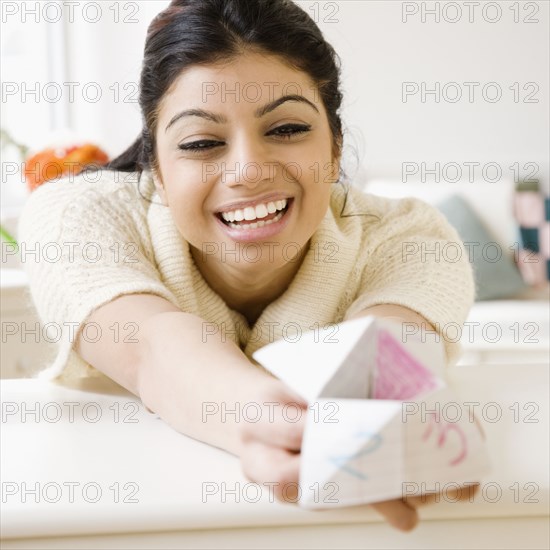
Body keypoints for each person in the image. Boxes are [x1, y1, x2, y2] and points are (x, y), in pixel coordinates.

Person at [18, 0, 476, 531]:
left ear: (335, 148)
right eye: (202, 142)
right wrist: (263, 417)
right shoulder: (78, 214)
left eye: (285, 129)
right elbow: (151, 346)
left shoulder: (406, 235)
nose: (248, 171)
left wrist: (393, 413)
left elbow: (386, 350)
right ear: (158, 169)